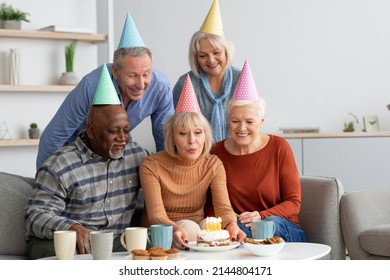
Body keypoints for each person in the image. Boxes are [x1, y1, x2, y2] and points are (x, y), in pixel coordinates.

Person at [25, 65, 150, 259]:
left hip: (114, 241)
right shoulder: (60, 164)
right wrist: (70, 228)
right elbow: (35, 216)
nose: (122, 138)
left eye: (126, 130)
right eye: (113, 131)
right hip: (67, 243)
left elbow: (164, 175)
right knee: (72, 252)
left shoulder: (137, 155)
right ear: (91, 131)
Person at [36, 11, 173, 169]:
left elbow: (165, 140)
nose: (141, 84)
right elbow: (53, 136)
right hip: (75, 150)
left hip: (112, 150)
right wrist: (43, 179)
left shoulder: (161, 88)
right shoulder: (91, 85)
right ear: (115, 71)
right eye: (132, 75)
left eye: (146, 74)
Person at [140, 75, 246, 249]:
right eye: (183, 133)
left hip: (197, 233)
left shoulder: (213, 164)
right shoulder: (151, 165)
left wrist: (232, 225)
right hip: (161, 234)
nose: (192, 141)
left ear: (205, 135)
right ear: (172, 138)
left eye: (198, 132)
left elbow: (224, 208)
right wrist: (176, 229)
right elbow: (156, 215)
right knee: (189, 229)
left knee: (213, 228)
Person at [210, 60, 307, 242]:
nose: (242, 128)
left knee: (268, 225)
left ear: (261, 121)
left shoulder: (279, 147)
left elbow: (294, 203)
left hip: (282, 227)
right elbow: (209, 204)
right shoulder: (216, 153)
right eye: (235, 121)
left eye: (250, 121)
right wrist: (231, 221)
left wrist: (260, 216)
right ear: (228, 121)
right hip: (238, 228)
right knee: (236, 231)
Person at [172, 0, 240, 142]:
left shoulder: (240, 79)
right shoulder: (185, 83)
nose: (211, 60)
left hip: (235, 151)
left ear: (226, 52)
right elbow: (178, 128)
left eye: (216, 52)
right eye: (203, 55)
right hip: (197, 155)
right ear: (196, 58)